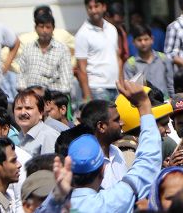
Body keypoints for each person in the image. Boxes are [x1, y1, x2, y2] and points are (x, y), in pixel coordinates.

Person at [37, 79, 162, 213]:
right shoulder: (110, 203)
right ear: (102, 170)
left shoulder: (51, 207)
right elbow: (148, 162)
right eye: (116, 119)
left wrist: (56, 195)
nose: (121, 123)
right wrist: (144, 106)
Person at [75, 0, 121, 102]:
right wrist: (87, 96)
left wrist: (121, 84)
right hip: (96, 88)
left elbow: (118, 59)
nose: (93, 10)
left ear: (104, 7)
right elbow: (81, 68)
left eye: (96, 6)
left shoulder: (112, 29)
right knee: (103, 119)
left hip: (115, 86)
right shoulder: (82, 34)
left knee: (116, 119)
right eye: (90, 7)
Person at [16, 11, 73, 95]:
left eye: (48, 27)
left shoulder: (62, 50)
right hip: (30, 97)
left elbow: (66, 83)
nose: (44, 30)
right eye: (41, 27)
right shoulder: (28, 49)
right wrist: (26, 92)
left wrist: (44, 92)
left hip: (53, 98)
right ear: (35, 28)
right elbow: (20, 75)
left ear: (53, 29)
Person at [78, 99, 126, 189]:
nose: (122, 123)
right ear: (101, 126)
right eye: (116, 120)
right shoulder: (85, 161)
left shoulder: (117, 152)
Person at [123, 24, 175, 98]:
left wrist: (172, 99)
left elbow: (170, 85)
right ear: (133, 42)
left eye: (146, 39)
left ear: (152, 40)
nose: (143, 43)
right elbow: (129, 89)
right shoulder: (130, 64)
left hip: (165, 104)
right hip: (143, 104)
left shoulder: (163, 59)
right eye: (139, 40)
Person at [14, 89, 58, 157]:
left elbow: (49, 165)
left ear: (41, 113)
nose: (23, 113)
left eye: (28, 108)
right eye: (19, 108)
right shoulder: (19, 137)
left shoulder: (48, 136)